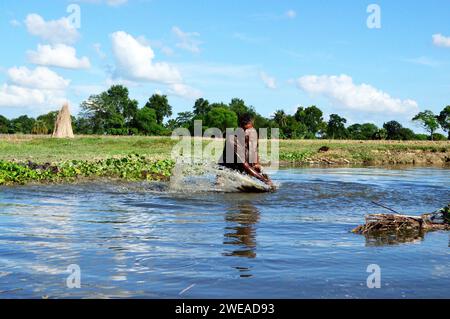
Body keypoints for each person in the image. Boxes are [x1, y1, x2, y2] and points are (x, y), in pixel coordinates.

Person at [218, 113, 274, 188]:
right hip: (226, 172)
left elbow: (255, 163)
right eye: (243, 129)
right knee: (221, 188)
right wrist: (265, 181)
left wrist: (268, 179)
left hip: (241, 172)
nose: (246, 133)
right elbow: (245, 166)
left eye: (248, 130)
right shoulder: (232, 139)